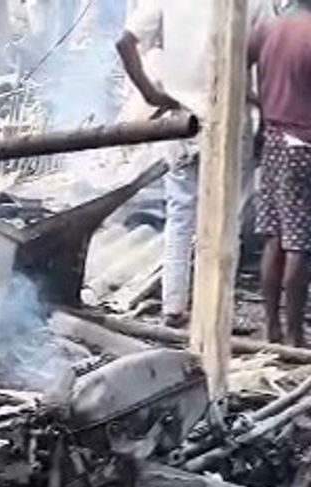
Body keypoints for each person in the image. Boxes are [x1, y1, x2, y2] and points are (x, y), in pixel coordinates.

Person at [116, 0, 274, 328]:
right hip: (230, 122)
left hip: (182, 121)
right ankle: (215, 312)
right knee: (227, 222)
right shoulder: (253, 3)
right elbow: (269, 60)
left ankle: (173, 306)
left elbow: (125, 42)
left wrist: (151, 94)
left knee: (180, 216)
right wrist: (265, 117)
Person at [250, 1, 311, 347]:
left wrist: (261, 108)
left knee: (275, 236)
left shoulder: (270, 28)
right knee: (300, 243)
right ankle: (295, 335)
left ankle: (272, 327)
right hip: (303, 141)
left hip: (273, 136)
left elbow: (241, 67)